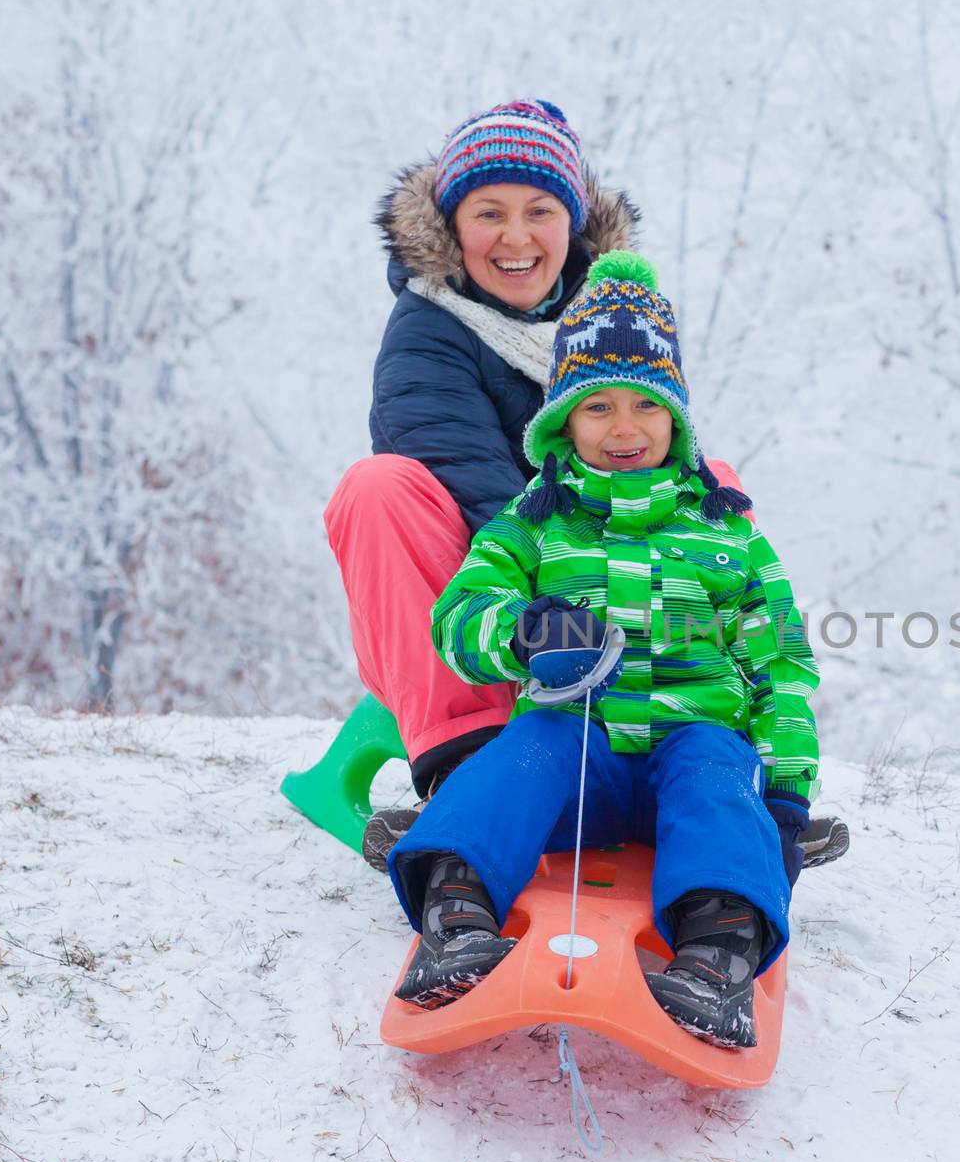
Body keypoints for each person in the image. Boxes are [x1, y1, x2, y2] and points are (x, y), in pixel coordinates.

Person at [321, 99, 848, 875]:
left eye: (539, 211)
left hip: (610, 587)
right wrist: (556, 605)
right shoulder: (426, 331)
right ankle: (463, 766)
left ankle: (715, 750)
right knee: (377, 488)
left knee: (718, 491)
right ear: (451, 225)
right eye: (488, 212)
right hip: (490, 584)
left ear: (571, 222)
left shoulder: (608, 316)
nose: (515, 236)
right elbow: (486, 499)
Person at [385, 252, 817, 1049]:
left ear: (677, 419)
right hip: (577, 760)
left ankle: (717, 952)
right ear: (562, 422)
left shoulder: (726, 532)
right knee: (529, 747)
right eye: (599, 408)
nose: (624, 429)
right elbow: (460, 614)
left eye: (647, 407)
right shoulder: (534, 521)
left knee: (717, 765)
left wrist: (786, 795)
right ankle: (458, 909)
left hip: (689, 757)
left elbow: (781, 661)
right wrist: (522, 634)